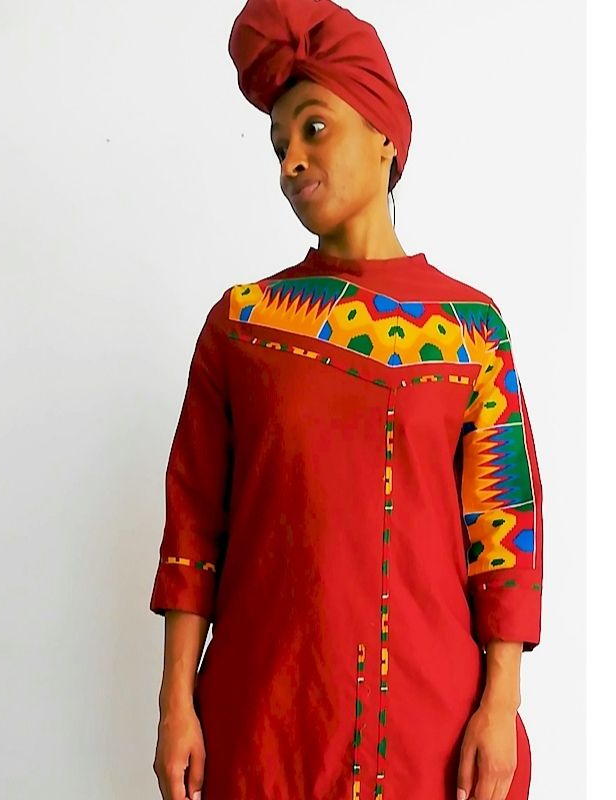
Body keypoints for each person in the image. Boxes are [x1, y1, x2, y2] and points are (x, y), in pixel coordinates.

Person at [148, 3, 544, 799]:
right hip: (265, 720)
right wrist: (174, 707)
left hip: (436, 729)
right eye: (279, 145)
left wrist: (501, 708)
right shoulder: (242, 324)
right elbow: (193, 529)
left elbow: (505, 534)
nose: (290, 160)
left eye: (313, 128)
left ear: (385, 136)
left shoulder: (473, 331)